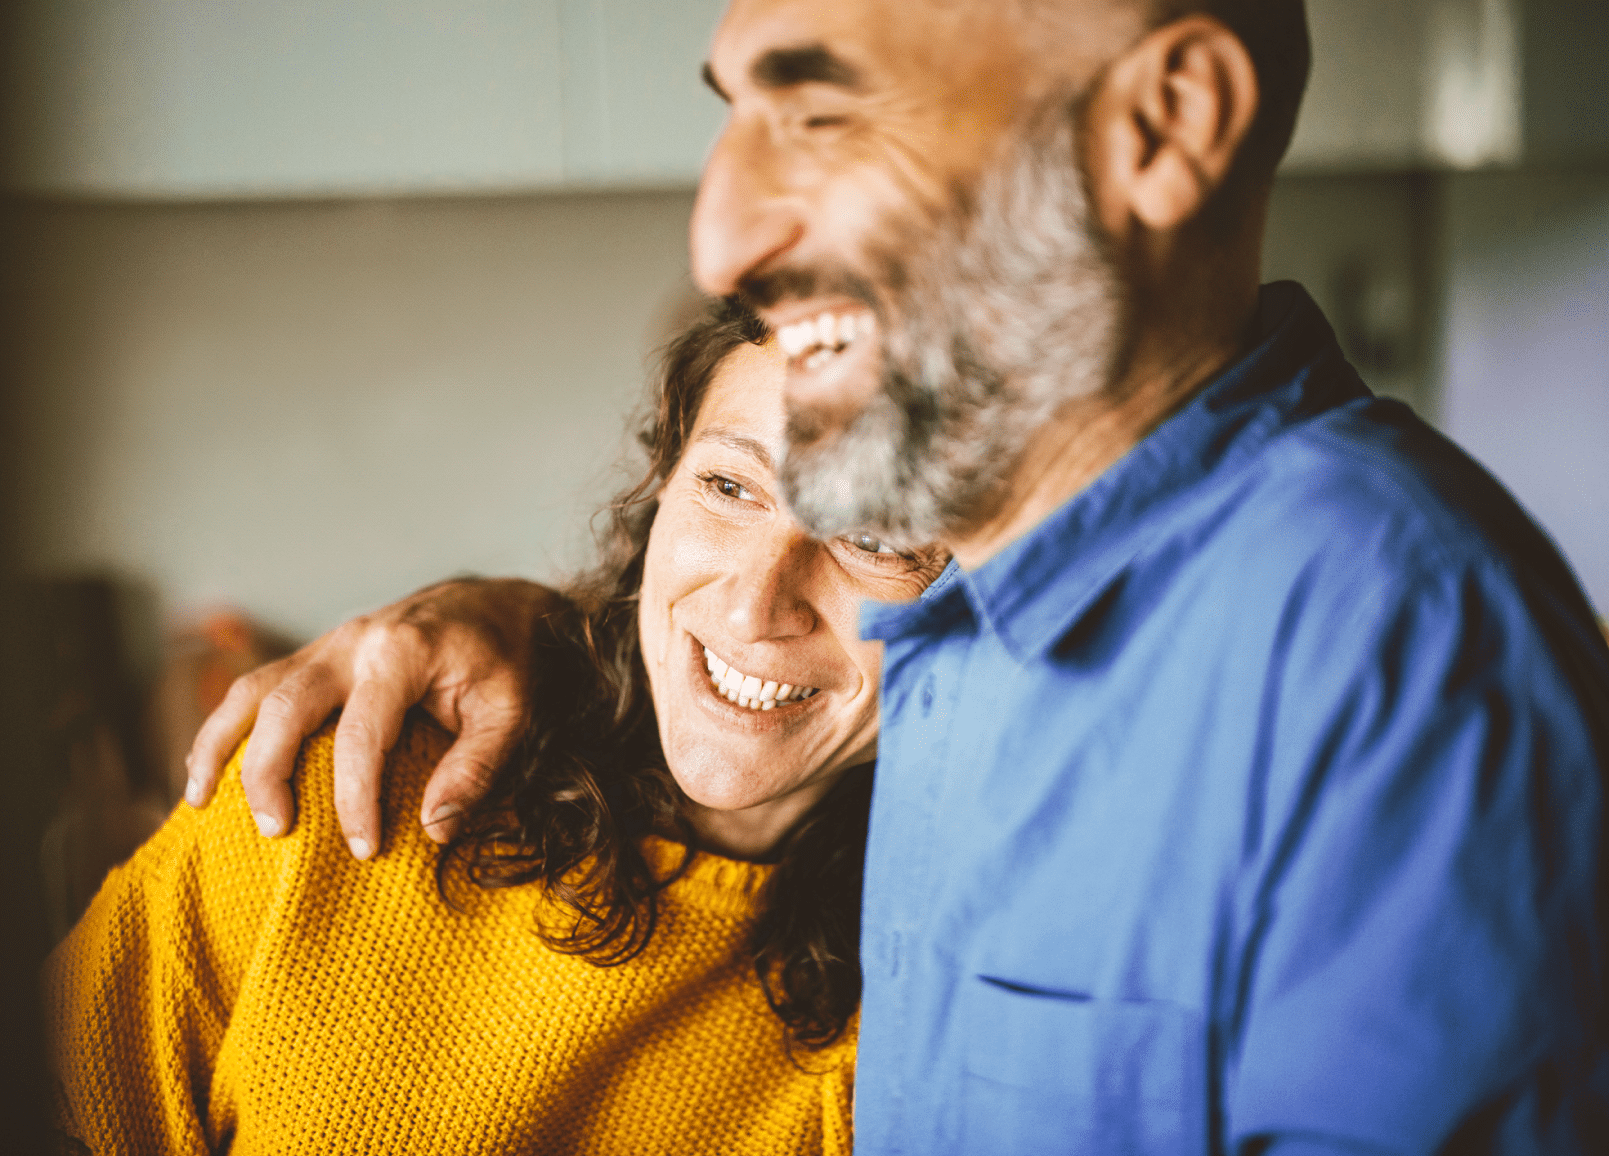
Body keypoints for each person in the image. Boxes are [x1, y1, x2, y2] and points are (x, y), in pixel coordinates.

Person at [189, 0, 1609, 1149]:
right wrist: (531, 629)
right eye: (732, 115)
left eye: (820, 116)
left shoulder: (1397, 661)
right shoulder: (973, 572)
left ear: (1166, 123)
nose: (725, 232)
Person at [47, 301, 949, 1153]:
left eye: (874, 538)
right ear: (660, 491)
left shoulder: (945, 1009)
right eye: (727, 485)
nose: (755, 604)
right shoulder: (343, 778)